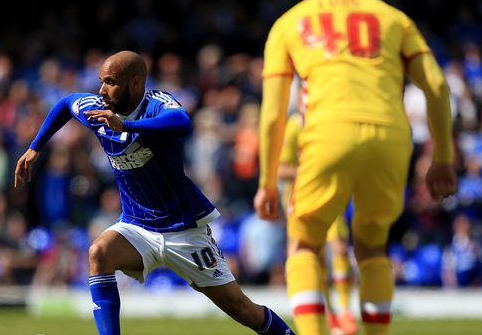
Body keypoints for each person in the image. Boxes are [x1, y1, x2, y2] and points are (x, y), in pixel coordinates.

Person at [254, 0, 456, 335]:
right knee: (372, 244)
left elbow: (274, 112)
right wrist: (444, 159)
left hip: (328, 133)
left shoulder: (289, 23)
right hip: (391, 135)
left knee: (306, 243)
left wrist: (267, 181)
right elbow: (437, 87)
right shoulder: (393, 17)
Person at [16, 50, 294, 335]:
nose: (101, 90)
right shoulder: (97, 109)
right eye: (101, 81)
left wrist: (126, 125)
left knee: (243, 310)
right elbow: (65, 103)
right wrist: (35, 147)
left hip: (184, 230)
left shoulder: (158, 105)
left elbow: (182, 122)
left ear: (135, 83)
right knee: (99, 252)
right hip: (138, 227)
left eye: (110, 82)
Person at [276, 85, 357, 335]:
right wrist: (309, 173)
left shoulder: (329, 124)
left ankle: (345, 313)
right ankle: (331, 315)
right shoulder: (294, 126)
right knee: (314, 257)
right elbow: (280, 169)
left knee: (340, 248)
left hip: (330, 195)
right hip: (300, 200)